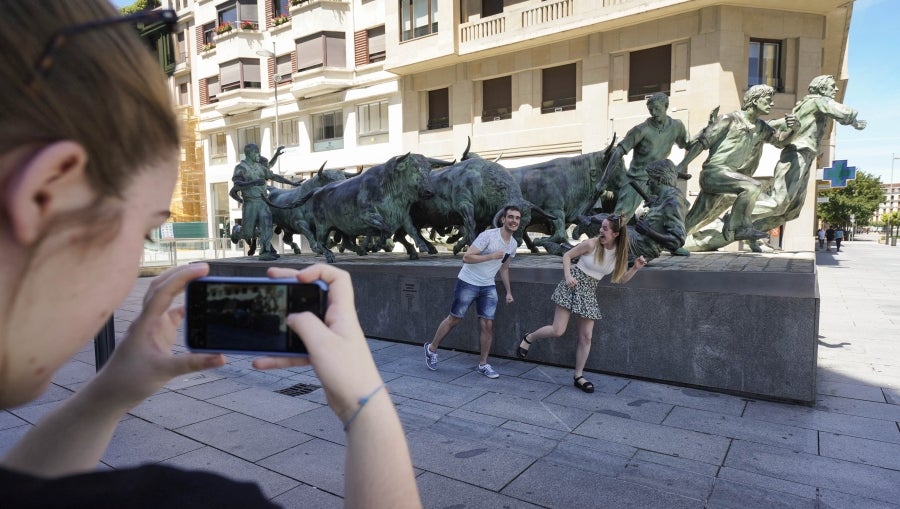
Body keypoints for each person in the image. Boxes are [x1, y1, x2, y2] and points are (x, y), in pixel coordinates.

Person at [0, 3, 419, 508]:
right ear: (46, 194)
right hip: (260, 208)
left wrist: (110, 391)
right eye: (147, 229)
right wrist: (365, 405)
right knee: (263, 227)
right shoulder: (187, 499)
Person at [516, 214, 647, 393]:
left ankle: (578, 376)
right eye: (601, 227)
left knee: (586, 337)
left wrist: (635, 268)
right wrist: (568, 276)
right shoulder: (591, 244)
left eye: (605, 229)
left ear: (616, 234)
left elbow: (622, 279)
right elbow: (567, 256)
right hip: (573, 284)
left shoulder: (618, 254)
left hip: (589, 291)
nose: (601, 231)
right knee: (558, 330)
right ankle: (529, 337)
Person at [676, 84, 798, 242]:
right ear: (755, 100)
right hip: (713, 173)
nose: (772, 104)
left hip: (727, 177)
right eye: (768, 100)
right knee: (752, 186)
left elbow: (780, 141)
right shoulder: (728, 119)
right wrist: (681, 165)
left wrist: (794, 130)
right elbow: (701, 143)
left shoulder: (761, 127)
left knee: (696, 217)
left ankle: (668, 242)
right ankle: (738, 227)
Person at [751, 75, 867, 235]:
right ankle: (734, 217)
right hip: (797, 155)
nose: (836, 89)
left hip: (806, 156)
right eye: (832, 86)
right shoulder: (818, 101)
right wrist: (854, 120)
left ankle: (751, 231)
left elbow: (781, 123)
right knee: (779, 202)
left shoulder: (809, 105)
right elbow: (842, 111)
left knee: (792, 210)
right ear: (821, 88)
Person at [423, 205, 520, 378]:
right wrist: (490, 256)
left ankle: (483, 364)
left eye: (517, 218)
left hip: (488, 286)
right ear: (503, 219)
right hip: (468, 282)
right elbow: (466, 257)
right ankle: (431, 348)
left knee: (487, 325)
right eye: (510, 217)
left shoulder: (513, 244)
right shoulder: (488, 236)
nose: (514, 221)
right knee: (454, 319)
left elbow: (504, 268)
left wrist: (508, 292)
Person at [603, 92, 692, 223]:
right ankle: (605, 241)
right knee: (619, 219)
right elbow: (618, 152)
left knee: (679, 208)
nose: (654, 113)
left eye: (657, 109)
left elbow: (688, 144)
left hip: (660, 180)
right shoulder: (640, 130)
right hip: (636, 179)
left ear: (666, 106)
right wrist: (603, 181)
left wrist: (706, 133)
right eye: (651, 110)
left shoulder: (677, 126)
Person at [230, 143, 297, 261]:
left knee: (267, 227)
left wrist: (292, 184)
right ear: (249, 154)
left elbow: (274, 176)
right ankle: (237, 231)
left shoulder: (259, 167)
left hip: (263, 202)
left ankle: (265, 251)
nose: (258, 155)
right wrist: (254, 183)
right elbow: (237, 184)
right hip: (250, 203)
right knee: (248, 234)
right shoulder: (241, 168)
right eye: (256, 153)